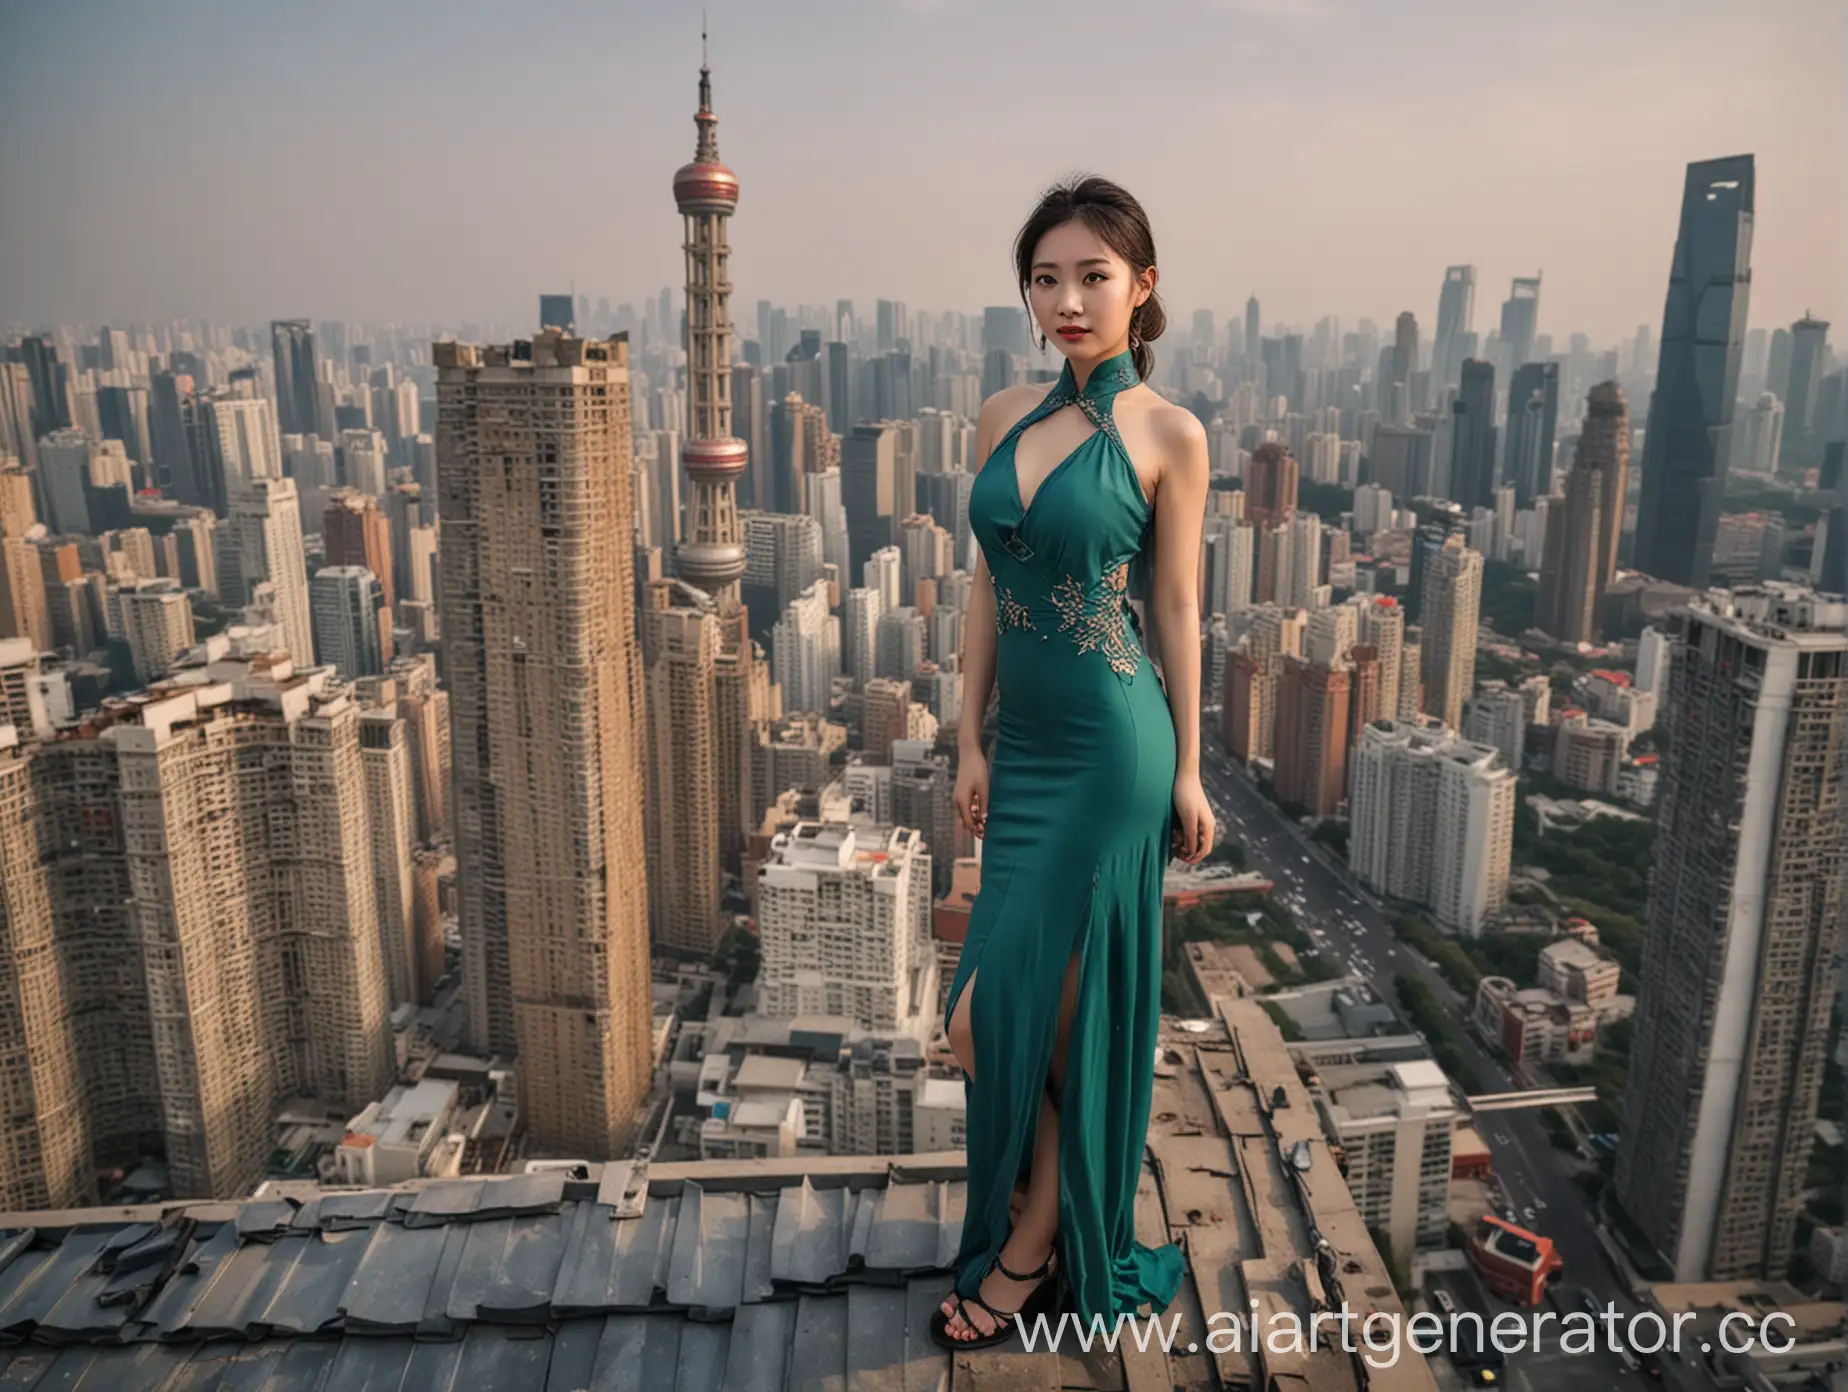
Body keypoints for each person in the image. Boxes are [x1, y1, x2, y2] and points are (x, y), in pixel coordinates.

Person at [931, 174, 1215, 1350]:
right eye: (1045, 277)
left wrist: (1192, 769)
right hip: (1029, 751)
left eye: (1093, 275)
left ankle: (1036, 1243)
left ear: (1142, 288)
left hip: (1114, 753)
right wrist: (968, 733)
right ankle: (1051, 1210)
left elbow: (1182, 610)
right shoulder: (1003, 415)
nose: (1067, 298)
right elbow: (989, 584)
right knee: (990, 1020)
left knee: (1019, 1019)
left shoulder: (1170, 435)